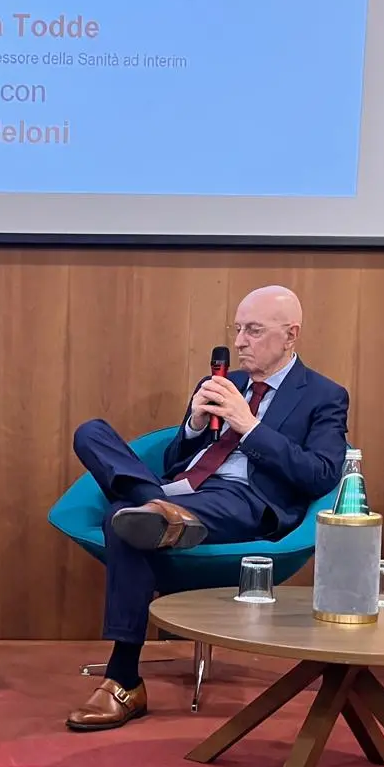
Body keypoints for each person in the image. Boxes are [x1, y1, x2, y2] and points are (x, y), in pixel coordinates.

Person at [66, 285, 349, 732]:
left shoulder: (323, 395)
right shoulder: (221, 383)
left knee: (121, 521)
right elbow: (178, 460)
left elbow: (322, 474)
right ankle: (158, 510)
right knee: (91, 432)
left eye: (253, 331)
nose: (240, 342)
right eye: (237, 330)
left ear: (290, 335)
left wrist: (250, 427)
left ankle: (123, 680)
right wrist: (194, 426)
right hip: (182, 492)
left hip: (244, 501)